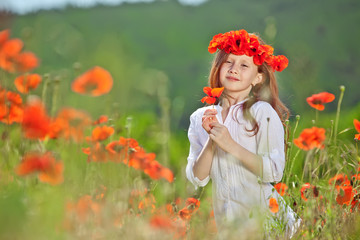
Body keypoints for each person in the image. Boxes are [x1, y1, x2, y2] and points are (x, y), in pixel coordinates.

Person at [186, 29, 301, 239]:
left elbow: (274, 172)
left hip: (269, 223)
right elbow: (198, 178)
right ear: (218, 67)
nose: (234, 69)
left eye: (244, 65)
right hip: (230, 228)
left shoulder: (261, 112)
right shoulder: (200, 118)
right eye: (228, 62)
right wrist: (212, 141)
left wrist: (230, 144)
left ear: (258, 77)